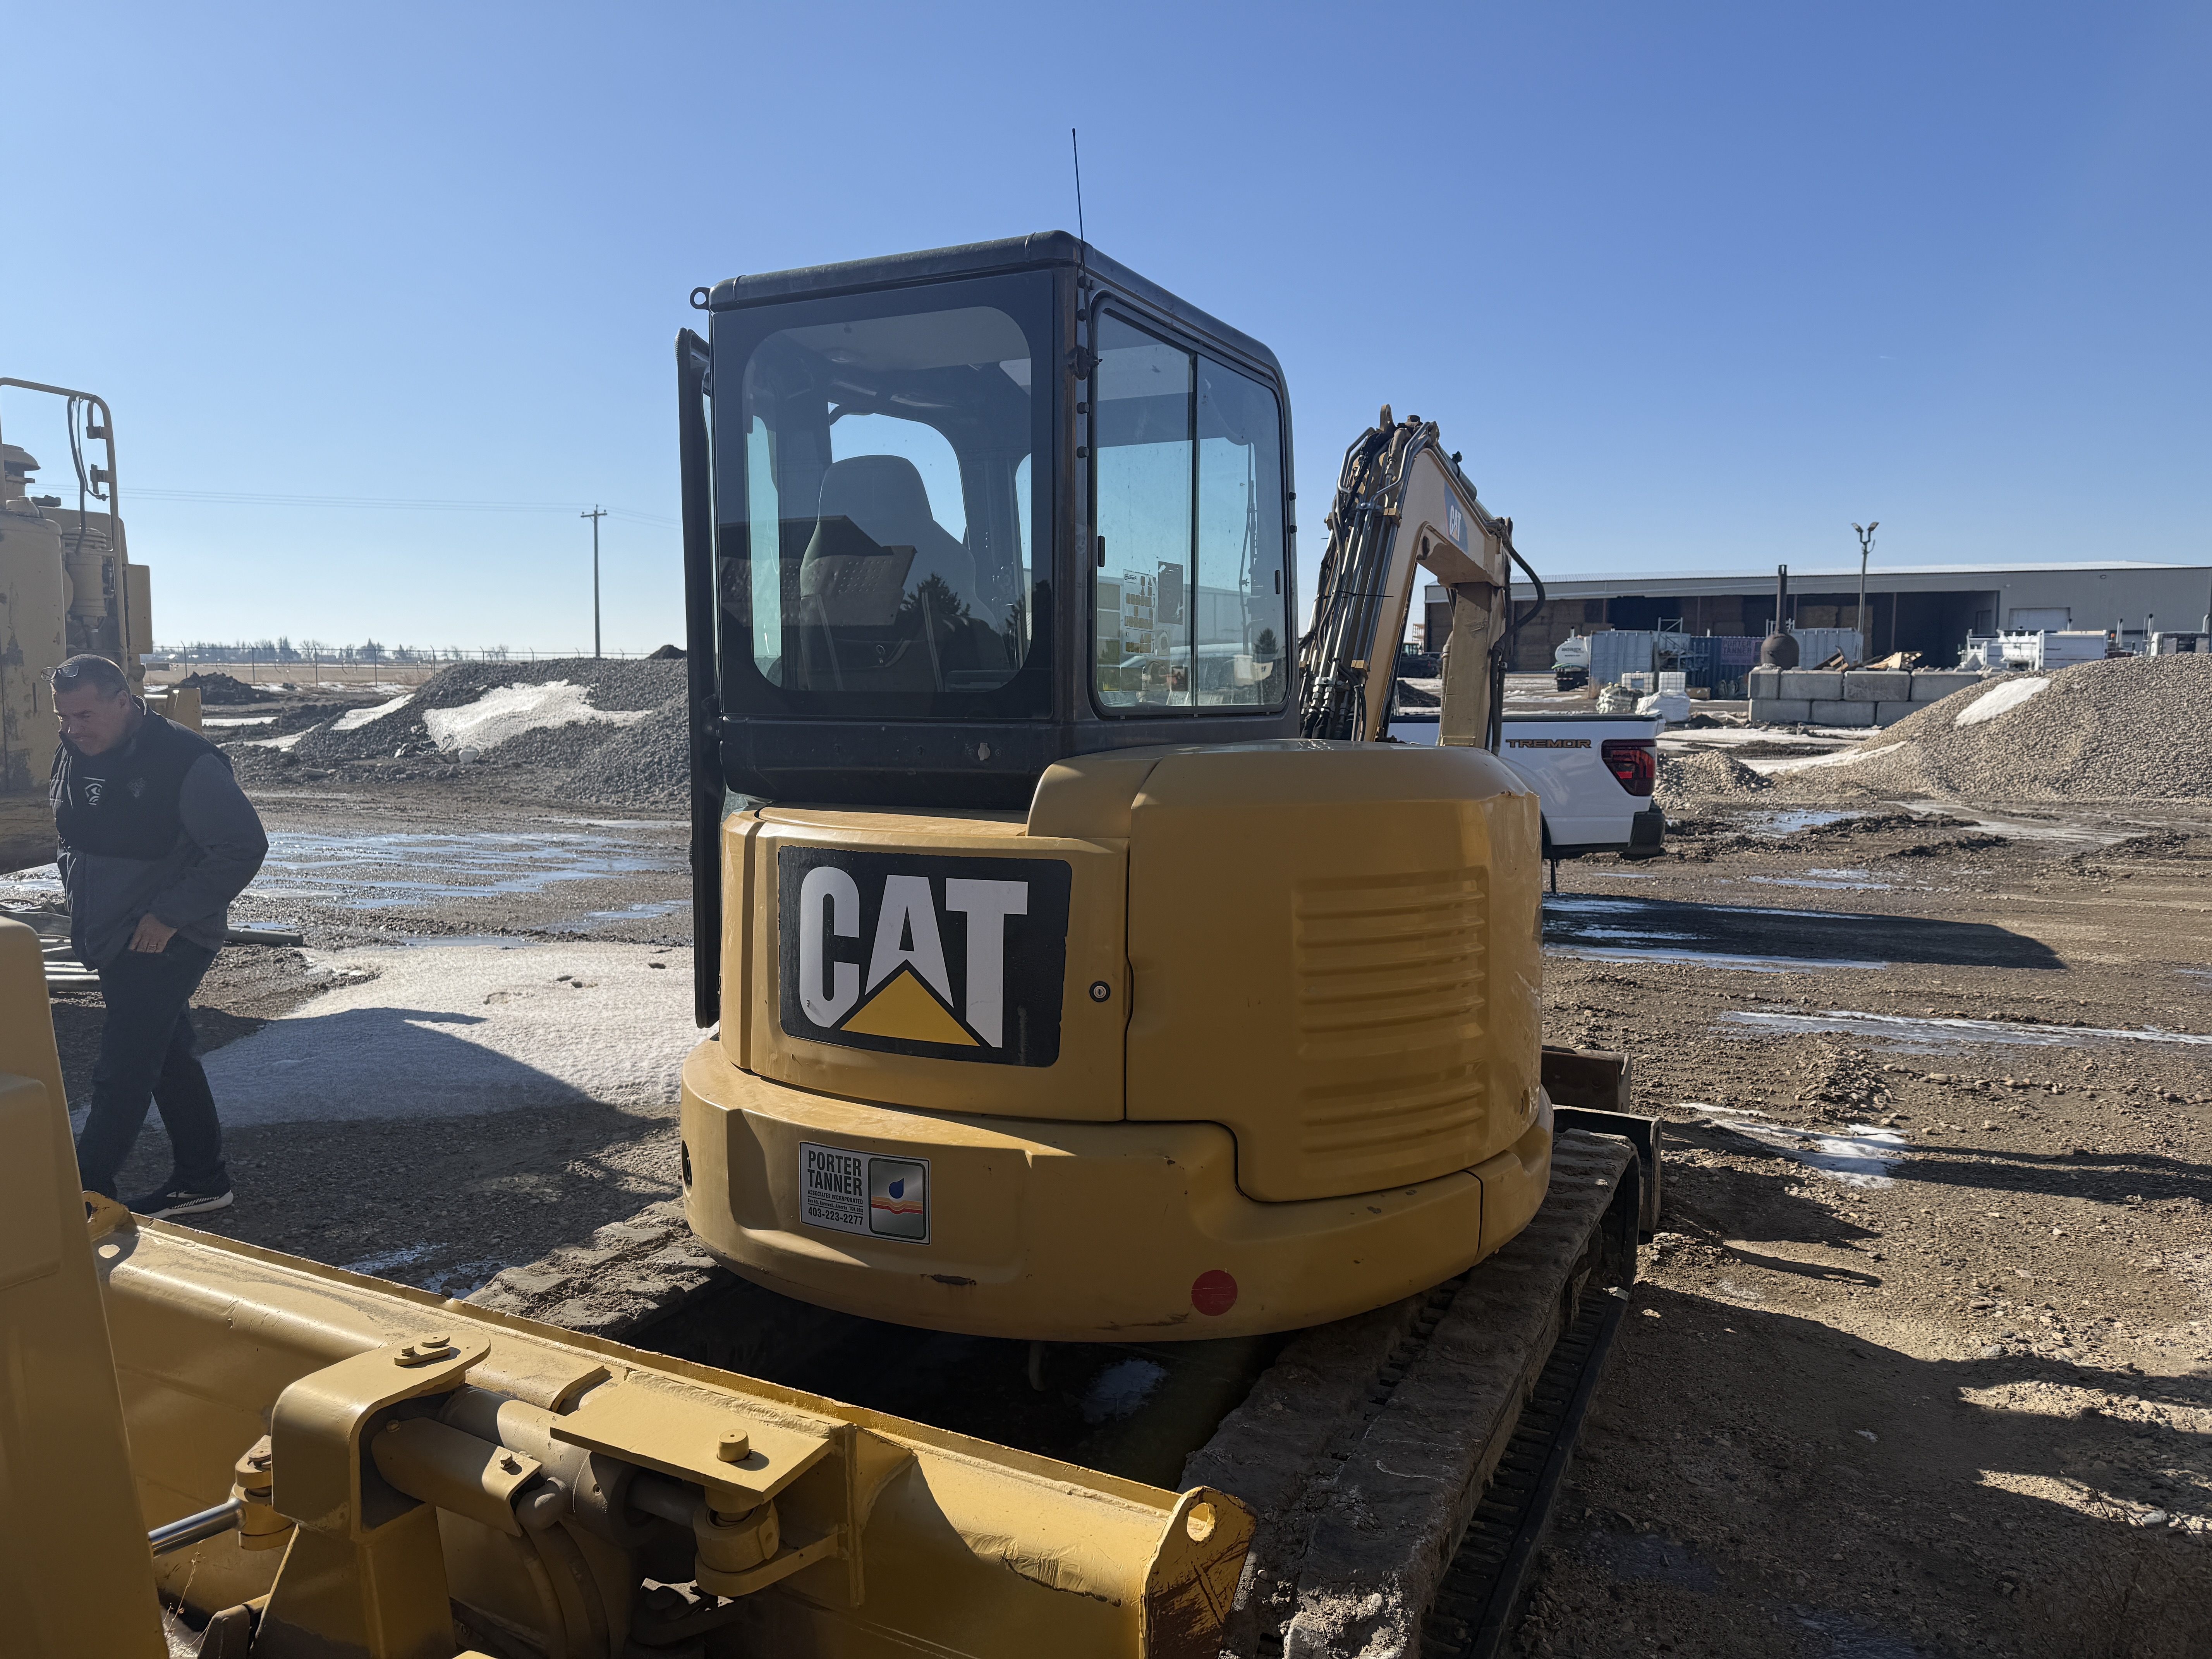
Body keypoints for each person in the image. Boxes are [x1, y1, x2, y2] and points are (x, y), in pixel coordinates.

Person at [49, 654, 268, 1217]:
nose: (74, 728)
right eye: (64, 716)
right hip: (111, 932)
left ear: (124, 701)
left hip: (165, 938)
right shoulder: (74, 752)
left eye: (86, 715)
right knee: (167, 1056)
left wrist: (169, 915)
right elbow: (72, 835)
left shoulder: (185, 760)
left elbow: (242, 846)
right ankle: (203, 1179)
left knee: (123, 1067)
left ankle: (85, 1197)